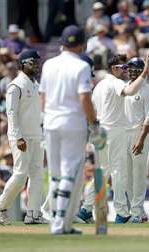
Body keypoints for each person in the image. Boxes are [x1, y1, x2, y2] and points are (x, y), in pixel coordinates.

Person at [40, 25, 102, 235]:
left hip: (50, 122)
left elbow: (43, 97)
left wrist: (47, 117)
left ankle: (64, 225)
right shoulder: (81, 66)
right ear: (82, 44)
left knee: (56, 175)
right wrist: (94, 124)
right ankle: (58, 224)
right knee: (68, 173)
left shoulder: (49, 64)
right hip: (72, 123)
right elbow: (84, 97)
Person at [77, 54, 149, 224]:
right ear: (114, 68)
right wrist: (144, 73)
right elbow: (131, 91)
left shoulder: (99, 85)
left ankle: (86, 209)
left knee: (103, 171)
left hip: (99, 129)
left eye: (127, 68)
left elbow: (91, 110)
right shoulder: (115, 82)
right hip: (114, 130)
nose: (126, 71)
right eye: (124, 68)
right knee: (118, 172)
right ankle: (122, 212)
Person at [0, 49, 45, 225]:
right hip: (21, 137)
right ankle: (1, 206)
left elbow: (37, 112)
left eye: (38, 63)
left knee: (37, 174)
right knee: (21, 174)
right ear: (23, 64)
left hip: (36, 135)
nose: (37, 66)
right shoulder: (15, 86)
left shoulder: (35, 84)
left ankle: (33, 213)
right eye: (33, 63)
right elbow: (11, 113)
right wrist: (18, 137)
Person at [125, 57, 149, 223]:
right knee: (128, 176)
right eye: (130, 68)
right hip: (124, 135)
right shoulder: (125, 87)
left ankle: (136, 212)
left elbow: (148, 119)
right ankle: (137, 211)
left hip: (138, 135)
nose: (131, 71)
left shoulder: (145, 90)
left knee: (138, 174)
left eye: (135, 68)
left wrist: (141, 139)